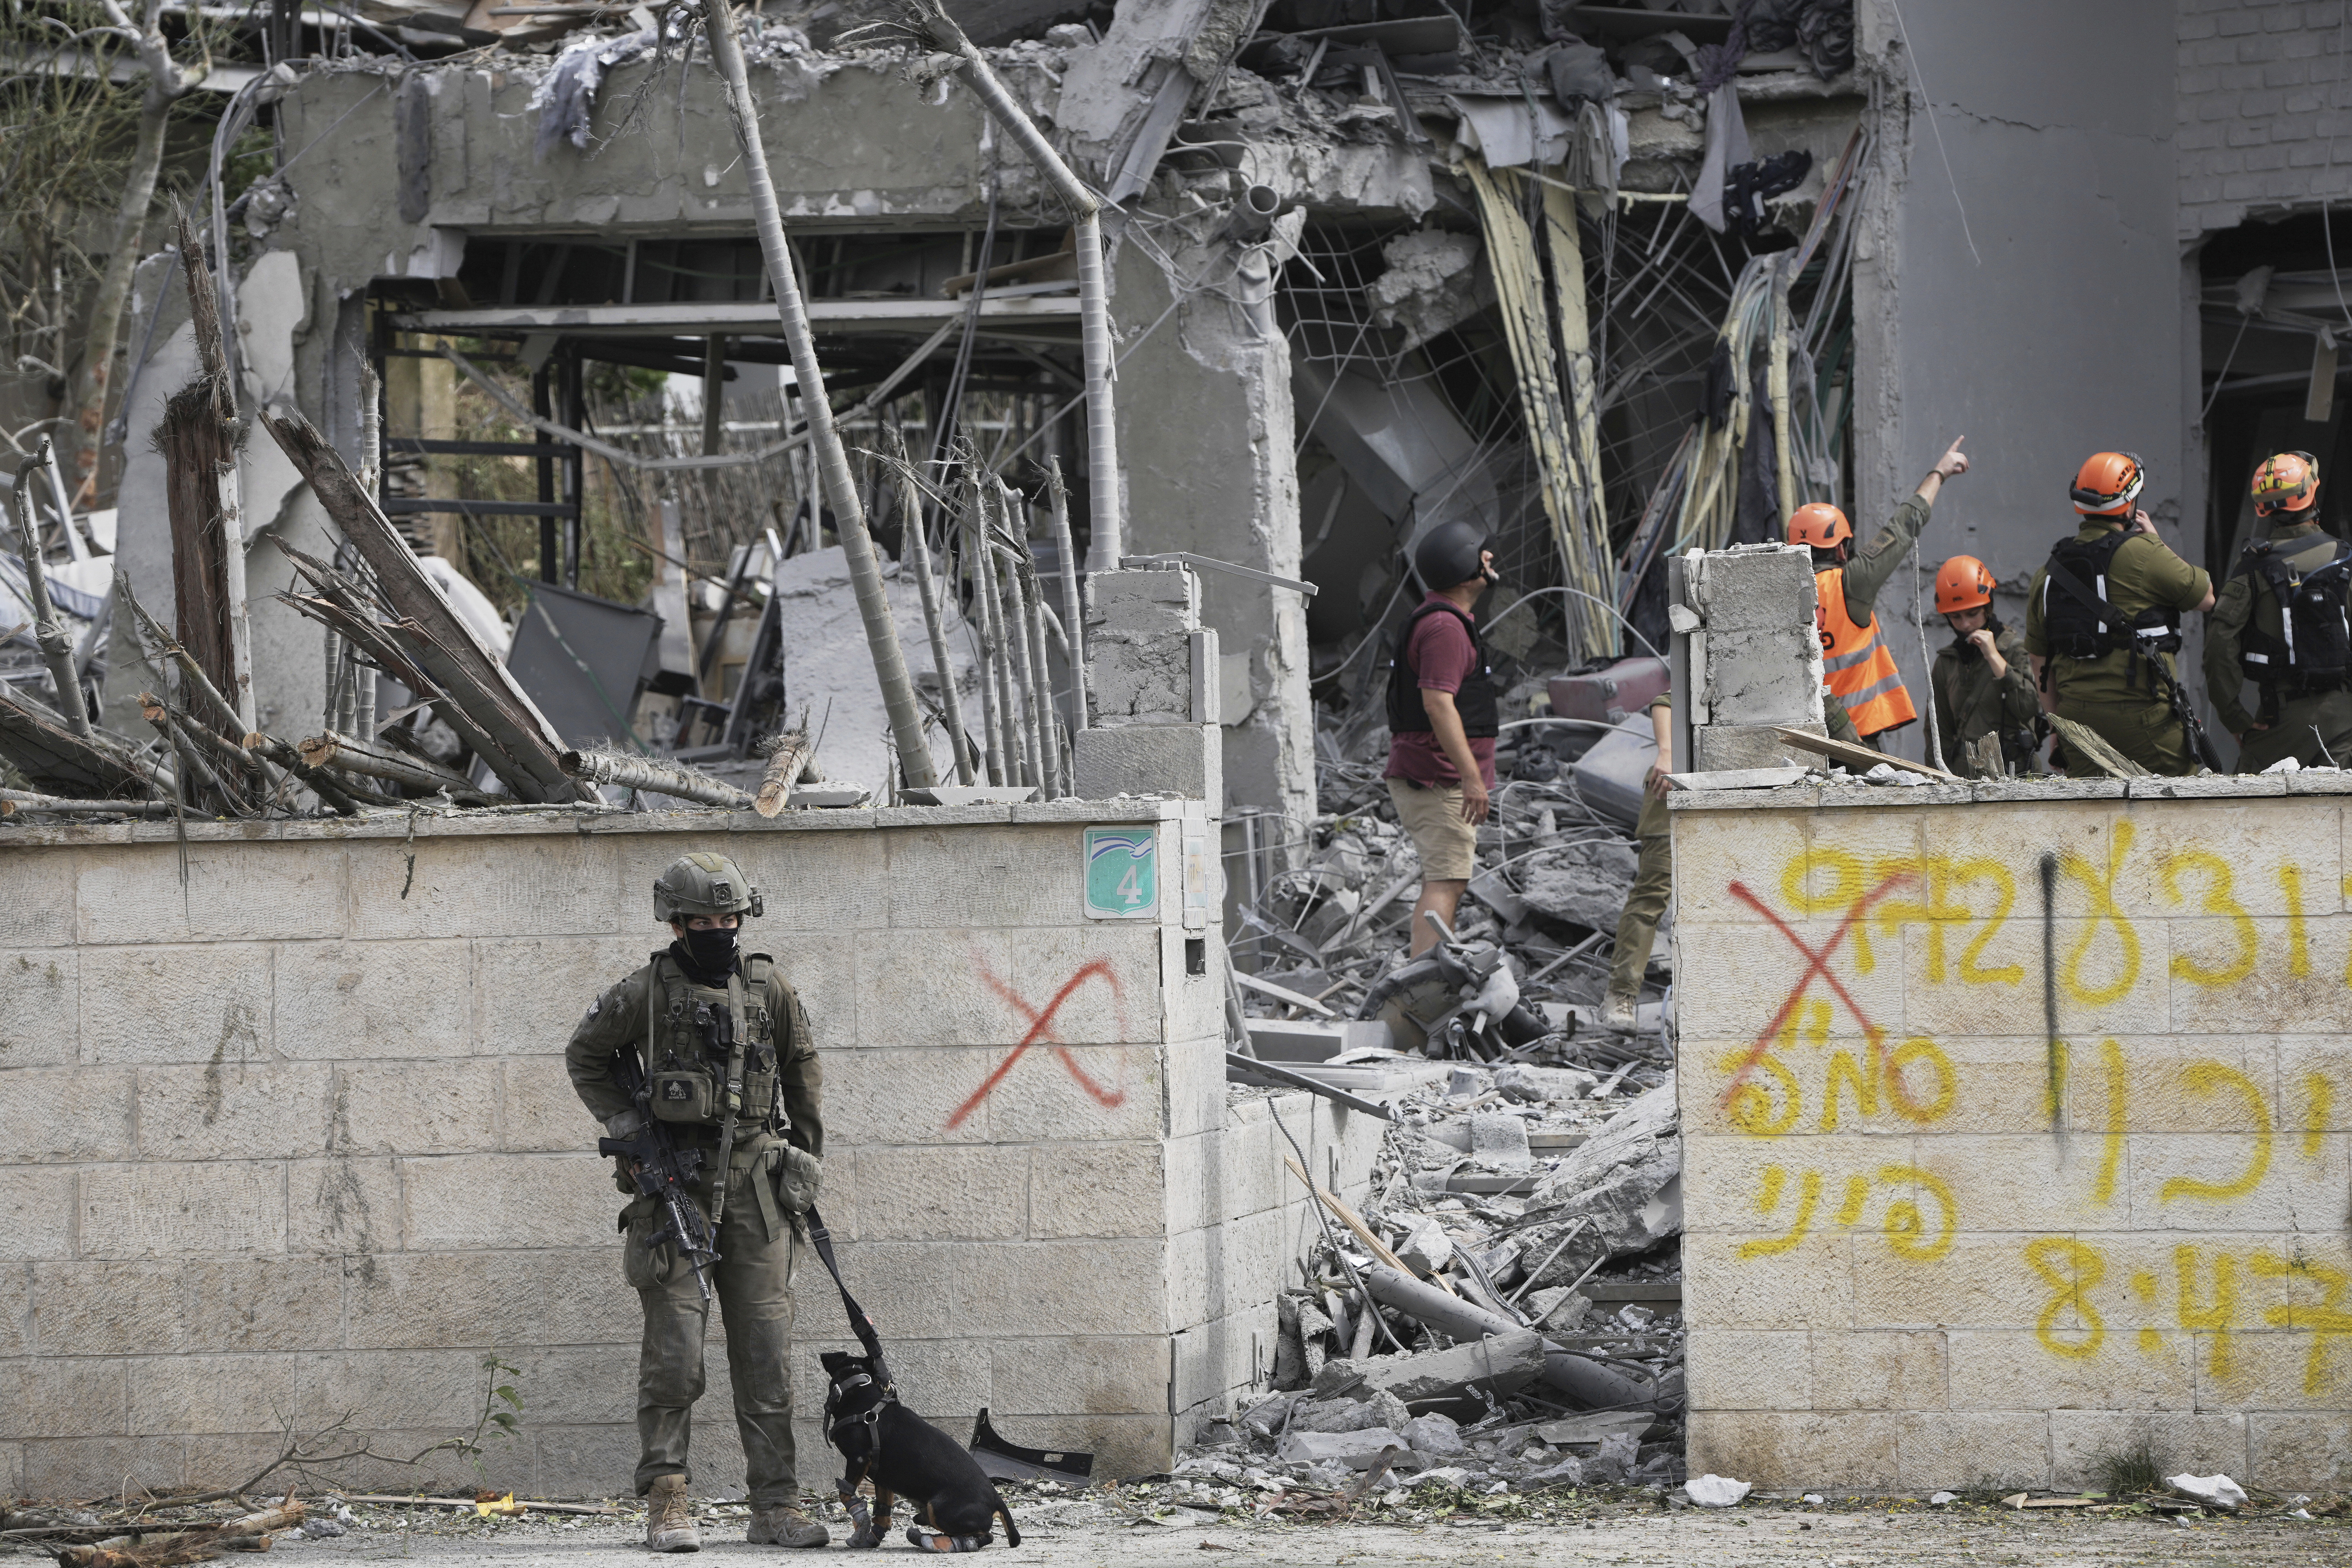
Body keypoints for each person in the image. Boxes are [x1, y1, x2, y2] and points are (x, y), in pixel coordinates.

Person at [565, 852, 828, 1552]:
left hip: (758, 1189)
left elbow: (803, 1077)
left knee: (766, 1352)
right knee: (676, 1352)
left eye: (728, 918)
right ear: (676, 923)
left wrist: (803, 1166)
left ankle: (775, 1504)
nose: (718, 929)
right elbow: (586, 1056)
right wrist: (628, 1130)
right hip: (675, 1186)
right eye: (703, 920)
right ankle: (667, 1499)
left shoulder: (770, 988)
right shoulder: (645, 993)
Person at [2026, 452, 2216, 776]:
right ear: (2128, 505)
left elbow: (2038, 660)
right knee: (2180, 803)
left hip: (2077, 724)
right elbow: (2207, 598)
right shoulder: (2146, 553)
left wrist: (2059, 729)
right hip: (2145, 720)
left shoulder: (2047, 573)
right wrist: (2158, 543)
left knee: (2092, 818)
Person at [1788, 436, 1972, 745]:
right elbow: (1901, 528)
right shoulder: (1851, 583)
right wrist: (1939, 472)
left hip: (1801, 742)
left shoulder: (1776, 597)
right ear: (1842, 548)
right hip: (1858, 743)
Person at [1385, 519, 1500, 957]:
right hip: (1439, 778)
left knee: (1447, 878)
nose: (1489, 558)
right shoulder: (1445, 629)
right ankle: (1424, 988)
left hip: (1439, 775)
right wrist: (1472, 779)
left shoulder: (1447, 621)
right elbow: (1438, 704)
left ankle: (1426, 981)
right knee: (1446, 880)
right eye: (1480, 553)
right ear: (1462, 566)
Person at [2202, 451, 2352, 773]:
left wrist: (2235, 719)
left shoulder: (2252, 569)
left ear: (2263, 507)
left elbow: (2218, 647)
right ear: (2311, 492)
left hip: (2278, 722)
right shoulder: (2345, 559)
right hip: (2344, 718)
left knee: (2251, 814)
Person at [1929, 554, 2039, 778]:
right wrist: (1935, 778)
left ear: (1988, 608)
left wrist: (1994, 657)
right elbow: (1937, 730)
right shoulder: (1947, 662)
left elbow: (2028, 707)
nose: (1966, 624)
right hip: (1964, 777)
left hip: (2016, 774)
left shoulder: (2014, 650)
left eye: (1973, 614)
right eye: (1956, 617)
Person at [1602, 693, 1672, 1030]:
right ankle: (1621, 995)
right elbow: (1664, 702)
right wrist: (1667, 752)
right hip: (1673, 792)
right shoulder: (1719, 656)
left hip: (1733, 802)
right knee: (1651, 897)